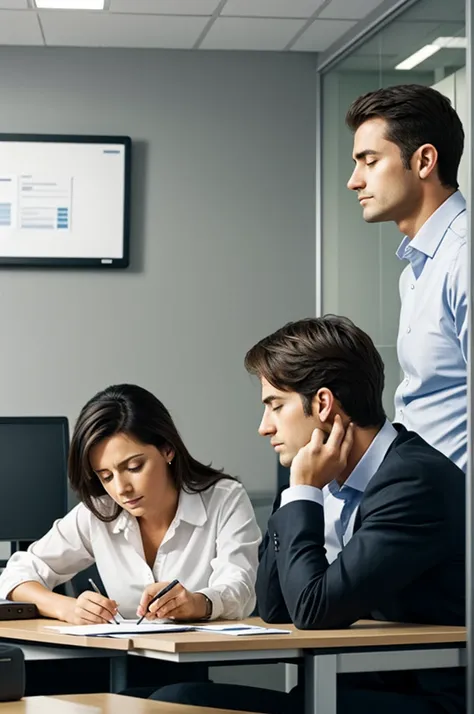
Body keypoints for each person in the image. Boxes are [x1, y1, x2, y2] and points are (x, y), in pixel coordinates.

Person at [150, 316, 465, 714]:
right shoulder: (330, 482)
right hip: (342, 693)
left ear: (322, 403)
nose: (264, 427)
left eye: (275, 406)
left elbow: (312, 612)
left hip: (420, 700)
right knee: (174, 701)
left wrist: (302, 490)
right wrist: (300, 491)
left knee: (176, 704)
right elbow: (276, 608)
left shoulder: (412, 481)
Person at [0, 384, 260, 625]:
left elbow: (241, 588)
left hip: (193, 661)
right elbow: (16, 574)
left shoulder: (224, 499)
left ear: (167, 449)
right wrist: (65, 607)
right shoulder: (98, 513)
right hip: (118, 663)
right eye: (106, 476)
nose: (121, 489)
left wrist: (197, 602)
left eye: (134, 467)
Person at [346, 84, 467, 472]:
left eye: (369, 161)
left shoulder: (463, 259)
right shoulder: (417, 270)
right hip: (425, 496)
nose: (354, 181)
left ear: (424, 161)